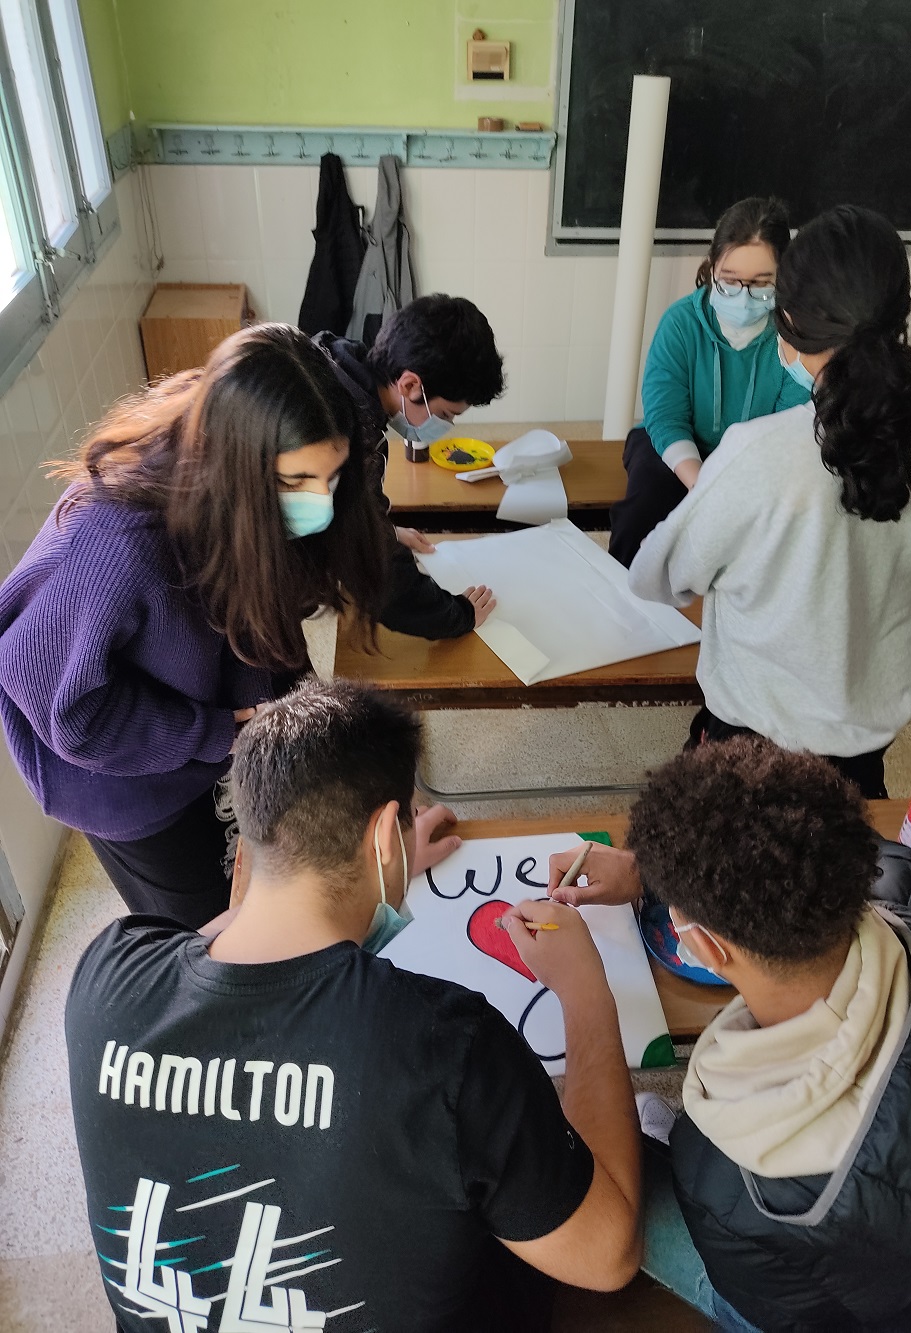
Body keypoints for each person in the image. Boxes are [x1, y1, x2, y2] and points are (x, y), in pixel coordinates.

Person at [65, 679, 643, 1333]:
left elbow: (230, 935)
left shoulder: (103, 978)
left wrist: (363, 873)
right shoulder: (450, 1047)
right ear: (385, 836)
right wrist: (584, 990)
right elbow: (609, 1256)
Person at [548, 737, 911, 1332]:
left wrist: (584, 992)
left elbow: (791, 1316)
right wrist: (648, 875)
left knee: (612, 1203)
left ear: (706, 947)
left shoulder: (735, 1183)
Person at [0, 324, 403, 928]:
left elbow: (262, 621)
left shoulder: (249, 494)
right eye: (296, 482)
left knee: (253, 870)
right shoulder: (113, 541)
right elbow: (61, 705)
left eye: (333, 476)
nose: (320, 501)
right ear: (236, 469)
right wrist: (210, 734)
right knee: (200, 922)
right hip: (120, 779)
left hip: (208, 721)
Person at [628, 205, 911, 798]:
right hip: (869, 720)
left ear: (790, 315)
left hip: (759, 729)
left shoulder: (760, 451)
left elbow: (660, 573)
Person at [608, 197, 810, 568]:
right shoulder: (681, 322)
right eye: (730, 281)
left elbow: (786, 429)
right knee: (643, 510)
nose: (744, 297)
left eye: (761, 284)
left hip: (755, 460)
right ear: (712, 266)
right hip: (676, 449)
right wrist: (702, 485)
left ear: (784, 277)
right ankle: (619, 593)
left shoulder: (793, 338)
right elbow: (666, 417)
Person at [313, 293, 506, 637]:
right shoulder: (344, 430)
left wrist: (382, 529)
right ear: (410, 385)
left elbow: (351, 511)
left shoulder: (339, 367)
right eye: (445, 414)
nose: (446, 425)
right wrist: (459, 614)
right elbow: (382, 580)